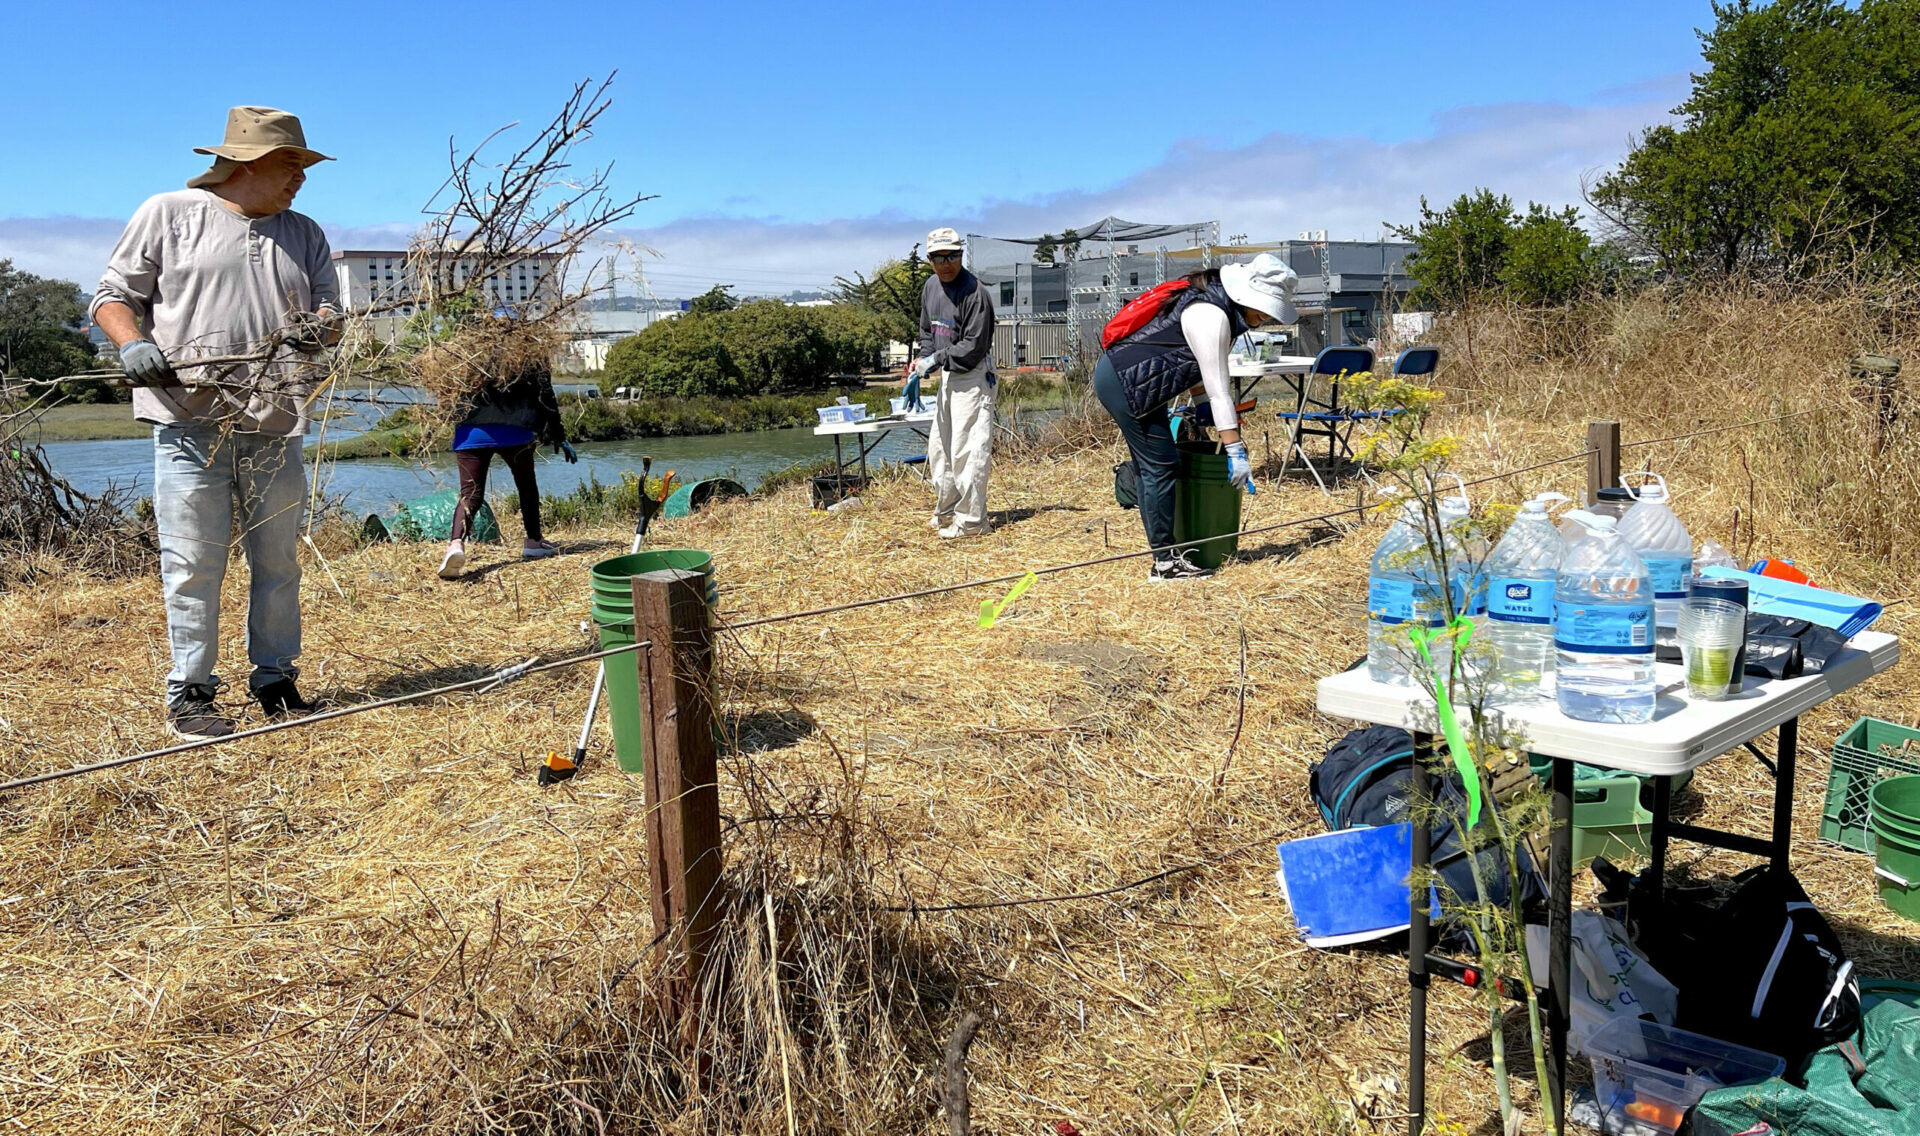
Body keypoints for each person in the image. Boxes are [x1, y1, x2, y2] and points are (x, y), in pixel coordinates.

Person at [91, 107, 339, 740]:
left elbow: (330, 309)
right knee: (193, 562)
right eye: (291, 165)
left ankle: (275, 678)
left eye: (303, 167)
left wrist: (321, 327)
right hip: (188, 421)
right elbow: (113, 295)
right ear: (246, 164)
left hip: (274, 420)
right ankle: (191, 691)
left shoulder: (304, 232)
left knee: (278, 559)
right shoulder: (169, 214)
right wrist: (130, 343)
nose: (300, 178)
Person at [1094, 252, 1298, 581]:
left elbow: (1190, 365)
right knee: (1160, 466)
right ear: (1248, 296)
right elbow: (1220, 389)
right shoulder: (1210, 315)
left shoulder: (1216, 303)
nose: (1267, 317)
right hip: (1125, 383)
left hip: (1136, 381)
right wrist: (1234, 449)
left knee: (1155, 466)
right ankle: (1165, 564)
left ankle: (1167, 553)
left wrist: (1201, 404)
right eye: (1266, 309)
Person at [437, 316, 578, 578]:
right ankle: (534, 542)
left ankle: (455, 544)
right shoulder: (530, 353)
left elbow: (446, 391)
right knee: (526, 486)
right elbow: (545, 395)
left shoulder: (467, 353)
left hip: (471, 433)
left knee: (471, 493)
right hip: (516, 432)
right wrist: (558, 434)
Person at [907, 227, 996, 538]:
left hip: (971, 376)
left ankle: (973, 522)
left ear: (962, 255)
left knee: (967, 449)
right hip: (947, 374)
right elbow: (927, 332)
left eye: (953, 255)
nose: (946, 263)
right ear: (929, 259)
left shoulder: (975, 293)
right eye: (939, 257)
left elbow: (973, 347)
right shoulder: (931, 287)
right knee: (941, 449)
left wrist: (937, 359)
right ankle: (947, 511)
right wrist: (923, 361)